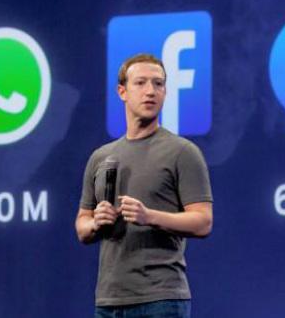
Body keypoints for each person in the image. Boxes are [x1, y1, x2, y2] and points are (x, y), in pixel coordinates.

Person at [76, 53, 213, 318]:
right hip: (109, 301)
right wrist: (95, 223)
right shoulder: (101, 157)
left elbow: (203, 222)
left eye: (158, 84)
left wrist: (149, 216)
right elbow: (82, 225)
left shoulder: (182, 152)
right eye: (140, 83)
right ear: (122, 91)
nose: (151, 91)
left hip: (161, 299)